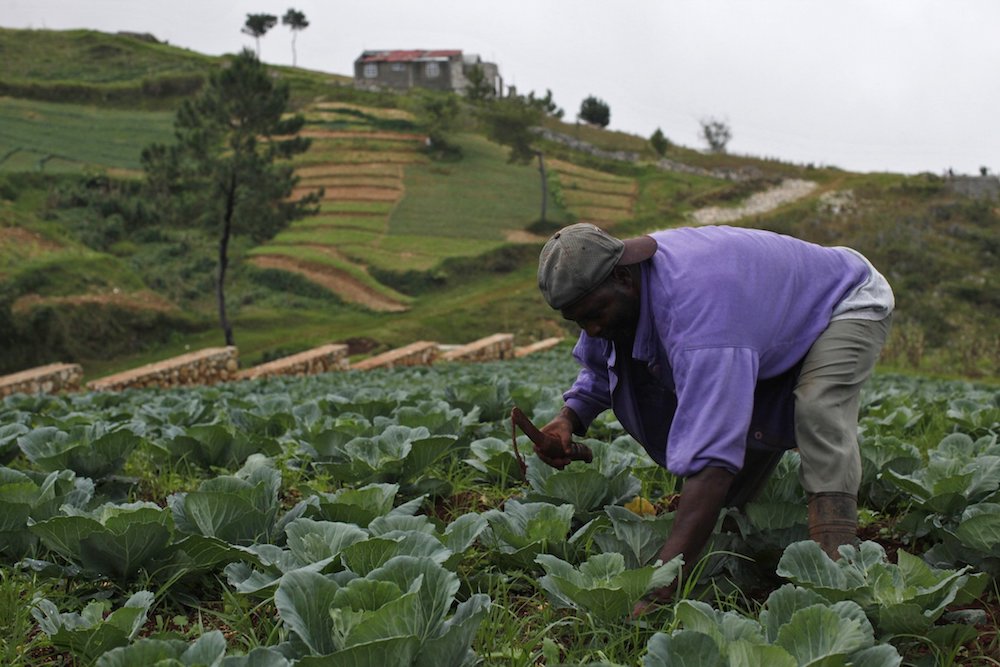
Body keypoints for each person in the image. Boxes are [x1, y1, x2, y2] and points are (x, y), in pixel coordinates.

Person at [534, 222, 893, 614]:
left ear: (623, 276)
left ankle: (837, 558)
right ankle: (727, 533)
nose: (592, 328)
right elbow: (605, 359)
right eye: (579, 321)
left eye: (594, 315)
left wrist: (660, 587)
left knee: (817, 406)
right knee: (736, 432)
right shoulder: (616, 291)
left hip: (844, 300)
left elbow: (712, 461)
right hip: (765, 319)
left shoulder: (701, 315)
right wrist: (569, 417)